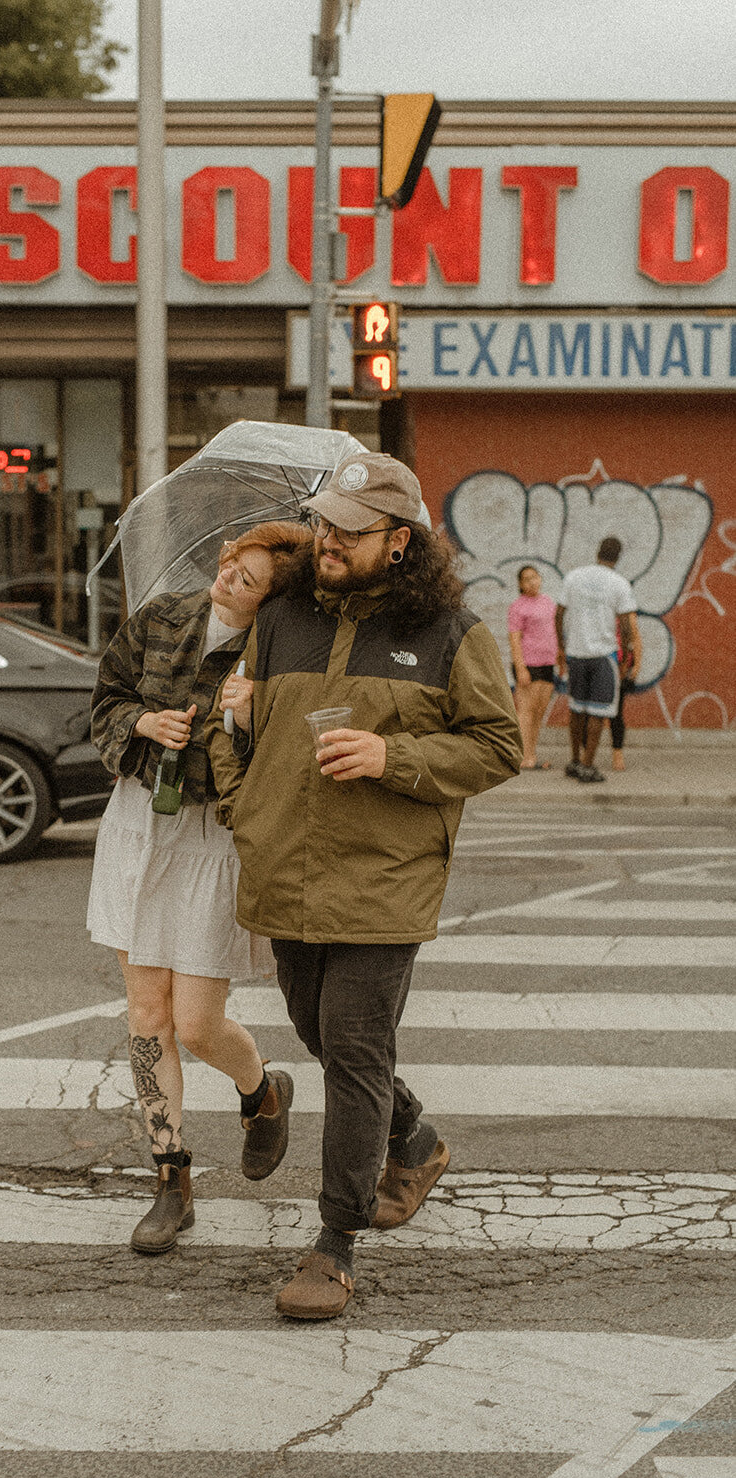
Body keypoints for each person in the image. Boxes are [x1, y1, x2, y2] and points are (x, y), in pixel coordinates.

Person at [207, 453, 522, 1320]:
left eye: (350, 528)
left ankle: (333, 1245)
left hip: (386, 879)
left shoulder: (454, 633)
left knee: (351, 1049)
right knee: (321, 1033)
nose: (328, 539)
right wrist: (245, 804)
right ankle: (413, 1137)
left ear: (399, 541)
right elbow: (237, 734)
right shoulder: (284, 617)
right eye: (324, 523)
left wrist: (395, 756)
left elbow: (500, 746)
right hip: (287, 870)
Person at [88, 520, 314, 1255]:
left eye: (248, 580)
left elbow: (286, 757)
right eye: (229, 566)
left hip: (212, 838)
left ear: (272, 598)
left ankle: (262, 1091)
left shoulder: (275, 654)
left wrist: (249, 720)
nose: (228, 581)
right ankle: (170, 1178)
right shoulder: (163, 617)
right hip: (141, 826)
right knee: (146, 1011)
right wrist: (145, 722)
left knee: (196, 1023)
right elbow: (106, 701)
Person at [555, 536, 639, 784]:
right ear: (618, 556)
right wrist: (626, 658)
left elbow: (559, 614)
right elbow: (625, 626)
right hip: (604, 656)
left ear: (598, 551)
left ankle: (573, 760)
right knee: (598, 712)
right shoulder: (619, 583)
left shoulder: (574, 577)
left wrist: (561, 647)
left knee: (576, 709)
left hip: (576, 652)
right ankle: (587, 765)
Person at [506, 564, 558, 769]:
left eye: (535, 577)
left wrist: (560, 658)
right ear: (520, 584)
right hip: (529, 664)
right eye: (527, 579)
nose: (532, 582)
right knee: (526, 711)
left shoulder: (548, 602)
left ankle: (531, 754)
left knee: (538, 712)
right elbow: (514, 640)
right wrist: (521, 668)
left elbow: (555, 632)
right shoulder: (517, 607)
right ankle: (521, 755)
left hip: (548, 663)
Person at [608, 611, 643, 770]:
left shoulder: (627, 613)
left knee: (616, 713)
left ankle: (617, 753)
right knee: (589, 713)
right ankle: (586, 753)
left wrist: (636, 665)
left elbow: (635, 637)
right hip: (599, 663)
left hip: (621, 667)